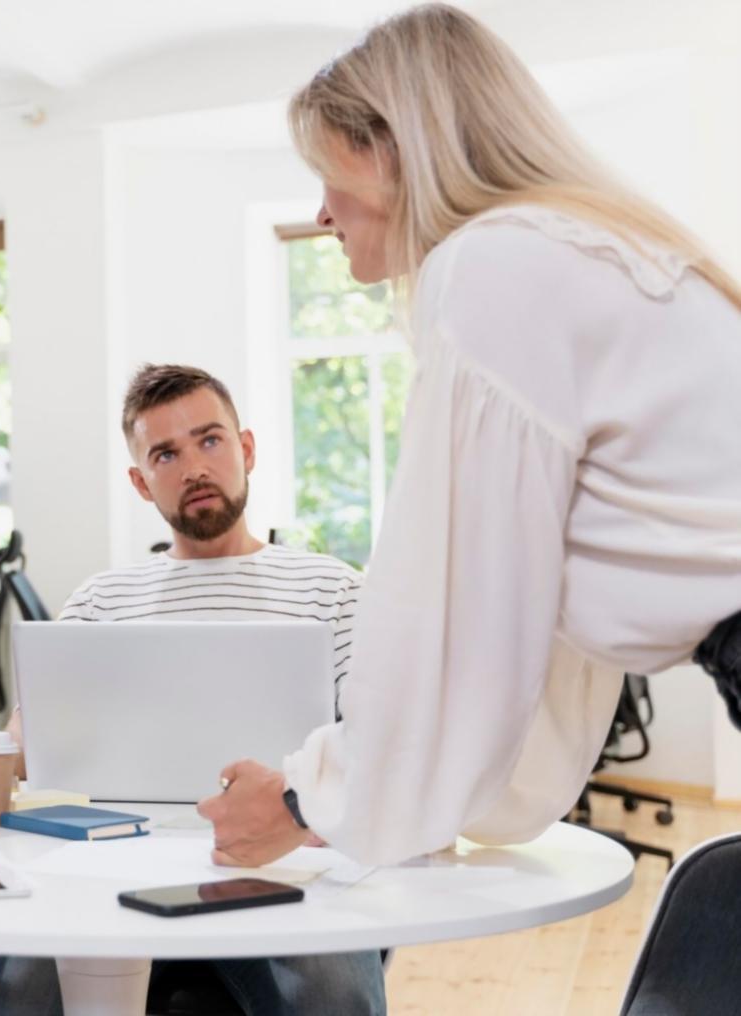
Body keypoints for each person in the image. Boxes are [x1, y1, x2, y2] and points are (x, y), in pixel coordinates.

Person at [202, 3, 741, 872]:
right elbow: (522, 615)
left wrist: (309, 796)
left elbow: (451, 612)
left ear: (389, 151)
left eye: (327, 174)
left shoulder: (494, 264)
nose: (322, 213)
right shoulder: (579, 247)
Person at [0, 364, 383, 1015]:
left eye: (210, 441)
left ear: (246, 450)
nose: (194, 467)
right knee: (19, 994)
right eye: (165, 454)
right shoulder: (102, 599)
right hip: (108, 864)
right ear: (141, 481)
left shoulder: (333, 589)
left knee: (336, 994)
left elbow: (375, 738)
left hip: (279, 860)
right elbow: (32, 741)